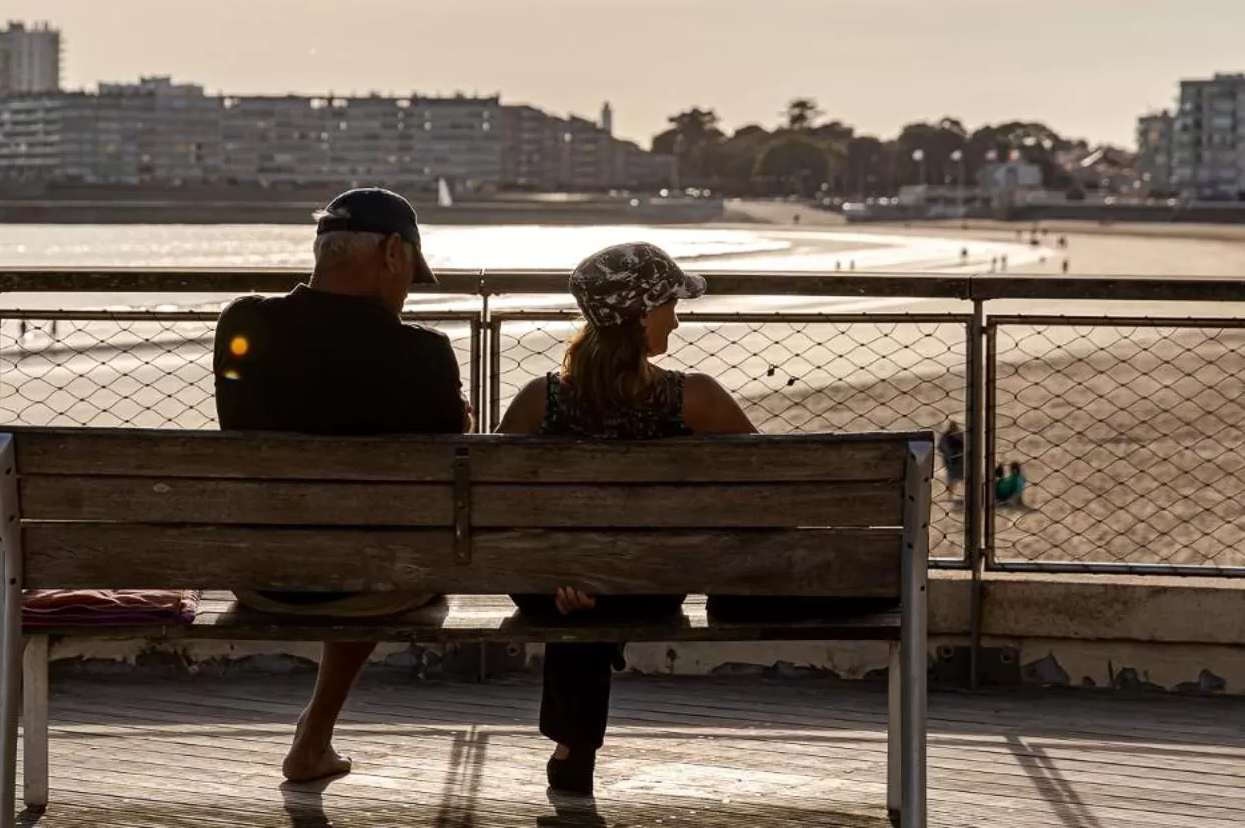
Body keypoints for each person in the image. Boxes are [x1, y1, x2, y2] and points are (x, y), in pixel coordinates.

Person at [497, 241, 892, 801]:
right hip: (651, 585)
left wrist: (561, 569)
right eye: (669, 306)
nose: (677, 320)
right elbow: (773, 490)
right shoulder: (695, 398)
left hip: (545, 586)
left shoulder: (541, 400)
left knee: (582, 602)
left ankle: (572, 747)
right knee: (609, 590)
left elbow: (495, 509)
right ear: (639, 315)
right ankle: (573, 738)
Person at [213, 187, 469, 783]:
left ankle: (314, 740)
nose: (407, 290)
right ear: (392, 254)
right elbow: (440, 461)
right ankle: (314, 736)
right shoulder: (425, 354)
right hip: (373, 581)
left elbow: (240, 422)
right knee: (374, 552)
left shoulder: (242, 323)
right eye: (410, 272)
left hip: (261, 576)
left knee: (348, 543)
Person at [938, 419, 966, 498]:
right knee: (951, 480)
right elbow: (941, 447)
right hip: (951, 462)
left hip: (962, 462)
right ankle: (950, 496)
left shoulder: (961, 435)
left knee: (965, 479)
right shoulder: (945, 436)